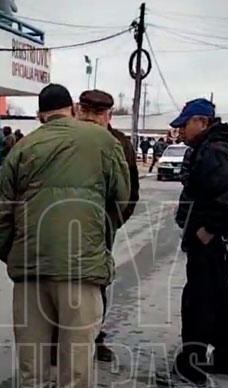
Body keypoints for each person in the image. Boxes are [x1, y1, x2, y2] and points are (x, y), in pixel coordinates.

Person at [0, 84, 130, 388]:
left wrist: (9, 251)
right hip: (80, 257)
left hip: (29, 259)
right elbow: (121, 198)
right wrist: (99, 232)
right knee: (78, 332)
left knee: (32, 333)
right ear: (71, 108)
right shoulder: (101, 141)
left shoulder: (21, 148)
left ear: (41, 114)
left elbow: (0, 208)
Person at [160, 98, 228, 387]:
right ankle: (227, 357)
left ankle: (191, 366)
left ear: (201, 121)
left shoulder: (214, 149)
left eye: (184, 126)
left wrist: (208, 229)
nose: (180, 132)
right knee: (218, 296)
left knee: (198, 299)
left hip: (214, 240)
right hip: (222, 238)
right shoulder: (216, 145)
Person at [76, 89, 139, 363]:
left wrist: (114, 222)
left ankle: (95, 336)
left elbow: (130, 190)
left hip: (100, 225)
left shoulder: (119, 143)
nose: (91, 118)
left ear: (108, 115)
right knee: (59, 281)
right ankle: (58, 338)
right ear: (78, 110)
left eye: (97, 113)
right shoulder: (67, 136)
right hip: (65, 220)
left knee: (96, 281)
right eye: (87, 112)